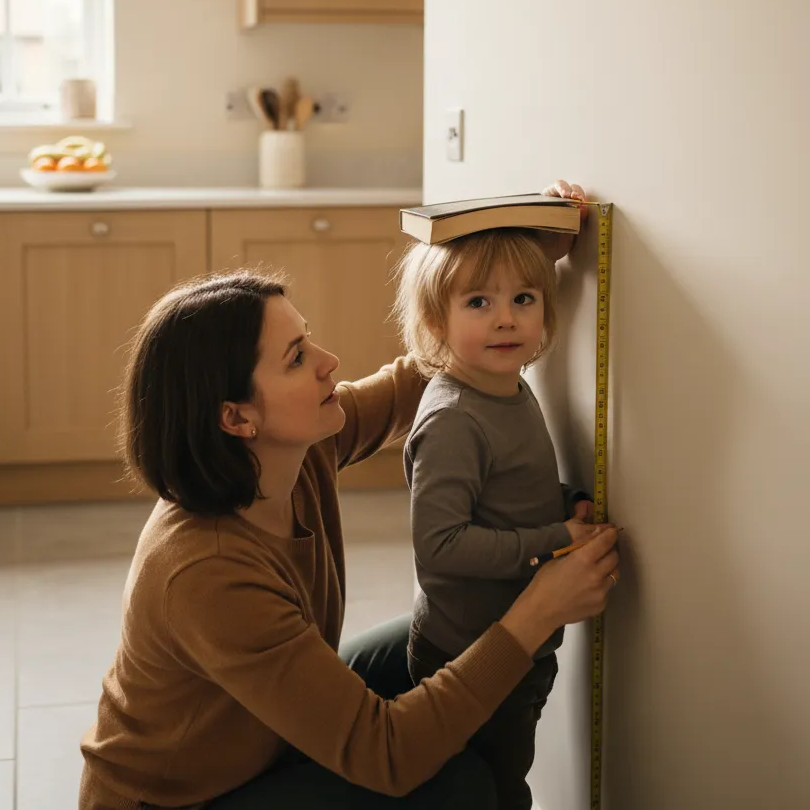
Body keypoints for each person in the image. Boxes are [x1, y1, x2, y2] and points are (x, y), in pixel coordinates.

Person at [79, 183, 620, 810]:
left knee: (445, 645)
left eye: (309, 339)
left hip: (260, 740)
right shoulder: (206, 572)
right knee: (463, 787)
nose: (329, 361)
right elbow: (387, 755)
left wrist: (516, 266)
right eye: (296, 358)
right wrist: (538, 611)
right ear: (236, 417)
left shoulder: (290, 451)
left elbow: (424, 371)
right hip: (186, 800)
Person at [395, 183, 602, 809]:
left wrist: (563, 502)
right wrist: (554, 540)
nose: (506, 318)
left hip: (514, 642)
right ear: (437, 320)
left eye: (523, 299)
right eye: (478, 302)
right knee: (490, 790)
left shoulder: (504, 382)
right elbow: (440, 546)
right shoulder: (456, 418)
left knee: (504, 773)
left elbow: (506, 490)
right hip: (468, 653)